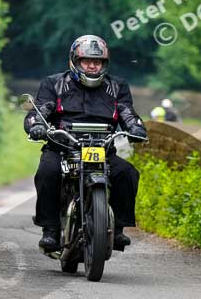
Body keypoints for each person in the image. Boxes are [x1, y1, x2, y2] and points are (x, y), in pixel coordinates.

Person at [23, 35, 148, 253]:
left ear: (104, 64)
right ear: (75, 61)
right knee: (47, 172)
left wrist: (136, 128)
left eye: (97, 62)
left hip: (101, 150)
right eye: (86, 61)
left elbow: (127, 113)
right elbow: (39, 112)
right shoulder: (54, 84)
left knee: (127, 173)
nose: (92, 66)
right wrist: (36, 126)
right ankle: (50, 229)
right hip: (62, 149)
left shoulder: (117, 87)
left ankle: (117, 229)